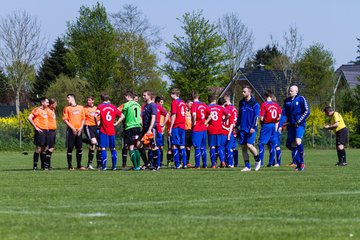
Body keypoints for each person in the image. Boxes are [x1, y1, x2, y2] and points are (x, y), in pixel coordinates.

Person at [279, 85, 310, 171]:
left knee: (297, 141)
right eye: (289, 90)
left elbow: (307, 111)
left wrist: (299, 121)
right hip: (291, 125)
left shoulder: (301, 99)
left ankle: (302, 162)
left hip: (299, 125)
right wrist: (280, 125)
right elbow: (283, 114)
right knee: (290, 145)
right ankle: (298, 162)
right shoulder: (287, 101)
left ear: (296, 91)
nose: (290, 92)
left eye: (292, 91)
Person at [235, 85, 261, 172]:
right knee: (243, 147)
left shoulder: (255, 103)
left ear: (249, 92)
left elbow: (257, 116)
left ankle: (258, 160)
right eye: (242, 91)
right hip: (243, 128)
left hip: (251, 128)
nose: (243, 93)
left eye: (244, 91)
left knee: (249, 145)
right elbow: (239, 116)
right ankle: (247, 166)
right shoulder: (241, 102)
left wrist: (253, 127)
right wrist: (236, 126)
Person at [95, 92, 122, 171]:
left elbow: (95, 115)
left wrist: (97, 124)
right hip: (112, 130)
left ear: (101, 99)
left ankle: (104, 167)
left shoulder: (100, 107)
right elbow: (122, 115)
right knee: (113, 148)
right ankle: (114, 167)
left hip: (103, 130)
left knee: (103, 148)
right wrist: (116, 123)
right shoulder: (113, 107)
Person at [117, 91, 142, 170]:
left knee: (130, 147)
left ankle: (135, 167)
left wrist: (116, 123)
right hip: (138, 127)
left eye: (125, 97)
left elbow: (123, 116)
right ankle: (138, 166)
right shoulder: (138, 105)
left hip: (129, 127)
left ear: (128, 96)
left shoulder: (126, 105)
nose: (124, 99)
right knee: (136, 147)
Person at [258, 90, 282, 167]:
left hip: (266, 125)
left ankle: (260, 162)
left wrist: (261, 122)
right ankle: (273, 162)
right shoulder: (276, 105)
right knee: (273, 144)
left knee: (261, 144)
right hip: (273, 125)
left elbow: (261, 118)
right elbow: (279, 117)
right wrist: (275, 121)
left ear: (265, 96)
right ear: (271, 96)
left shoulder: (264, 105)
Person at [63, 94, 86, 170]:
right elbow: (65, 120)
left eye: (68, 97)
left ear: (73, 98)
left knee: (79, 148)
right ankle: (70, 166)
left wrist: (81, 128)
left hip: (79, 130)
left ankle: (79, 165)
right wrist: (72, 128)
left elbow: (83, 119)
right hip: (71, 130)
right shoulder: (67, 108)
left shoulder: (81, 107)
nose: (67, 99)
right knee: (70, 148)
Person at [207, 94, 230, 169]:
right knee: (219, 146)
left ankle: (213, 164)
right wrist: (223, 120)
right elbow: (229, 115)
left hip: (211, 129)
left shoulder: (208, 107)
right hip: (219, 129)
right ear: (215, 100)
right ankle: (223, 161)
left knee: (212, 147)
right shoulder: (220, 107)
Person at [191, 91, 212, 169]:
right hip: (204, 128)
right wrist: (206, 122)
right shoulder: (203, 104)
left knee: (197, 147)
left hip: (197, 128)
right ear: (198, 96)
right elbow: (211, 114)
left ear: (192, 97)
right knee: (203, 147)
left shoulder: (194, 105)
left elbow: (194, 114)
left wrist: (194, 123)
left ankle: (197, 165)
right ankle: (205, 164)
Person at [28, 97, 49, 170]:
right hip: (40, 131)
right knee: (38, 148)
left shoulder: (46, 110)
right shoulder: (37, 109)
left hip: (46, 131)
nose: (48, 104)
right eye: (47, 102)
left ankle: (43, 166)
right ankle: (35, 166)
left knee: (44, 149)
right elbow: (29, 118)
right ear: (42, 103)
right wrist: (36, 127)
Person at [169, 88, 187, 169]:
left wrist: (170, 127)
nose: (170, 95)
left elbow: (173, 115)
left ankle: (177, 164)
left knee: (174, 145)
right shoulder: (183, 102)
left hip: (176, 125)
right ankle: (185, 163)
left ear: (174, 94)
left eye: (171, 94)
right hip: (183, 126)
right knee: (182, 145)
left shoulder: (174, 102)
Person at [140, 91, 159, 170]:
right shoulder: (145, 106)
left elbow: (153, 118)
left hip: (151, 129)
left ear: (149, 96)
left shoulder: (153, 105)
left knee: (153, 146)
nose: (143, 96)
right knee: (138, 145)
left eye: (144, 95)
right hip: (144, 128)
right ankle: (147, 163)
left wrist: (149, 129)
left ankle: (155, 165)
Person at [83, 96, 100, 170]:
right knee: (93, 142)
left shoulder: (97, 108)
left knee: (96, 146)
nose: (88, 101)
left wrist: (98, 125)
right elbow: (82, 118)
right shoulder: (84, 108)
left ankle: (97, 164)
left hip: (95, 127)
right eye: (87, 100)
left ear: (93, 101)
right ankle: (82, 140)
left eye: (89, 100)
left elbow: (99, 118)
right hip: (88, 126)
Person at [218, 97, 235, 168]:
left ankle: (223, 162)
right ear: (224, 103)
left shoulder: (219, 111)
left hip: (222, 132)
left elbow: (219, 123)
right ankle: (230, 163)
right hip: (229, 133)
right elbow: (232, 123)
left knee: (221, 148)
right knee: (229, 148)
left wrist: (226, 128)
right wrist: (229, 132)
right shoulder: (229, 111)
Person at [223, 94, 238, 167]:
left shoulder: (230, 108)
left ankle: (232, 163)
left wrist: (233, 127)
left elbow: (234, 119)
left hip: (231, 129)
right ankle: (233, 163)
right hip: (230, 129)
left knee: (231, 147)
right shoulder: (231, 108)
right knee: (230, 147)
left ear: (226, 101)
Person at [155, 96, 169, 168]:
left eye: (162, 103)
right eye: (161, 102)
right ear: (157, 102)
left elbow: (166, 116)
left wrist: (163, 125)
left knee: (161, 147)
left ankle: (160, 162)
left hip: (161, 131)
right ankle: (153, 162)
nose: (162, 104)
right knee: (154, 146)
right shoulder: (154, 108)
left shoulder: (162, 110)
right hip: (155, 129)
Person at [46, 98, 57, 169]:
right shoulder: (46, 110)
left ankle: (47, 164)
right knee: (50, 148)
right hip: (49, 131)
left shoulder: (53, 110)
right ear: (51, 104)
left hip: (53, 131)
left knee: (51, 147)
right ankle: (46, 164)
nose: (56, 105)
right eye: (55, 104)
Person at [184, 99, 193, 167]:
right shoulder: (184, 111)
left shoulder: (191, 111)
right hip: (185, 130)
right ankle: (182, 161)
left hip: (191, 130)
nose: (192, 105)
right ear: (186, 104)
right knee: (183, 146)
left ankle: (187, 161)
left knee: (189, 147)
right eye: (190, 104)